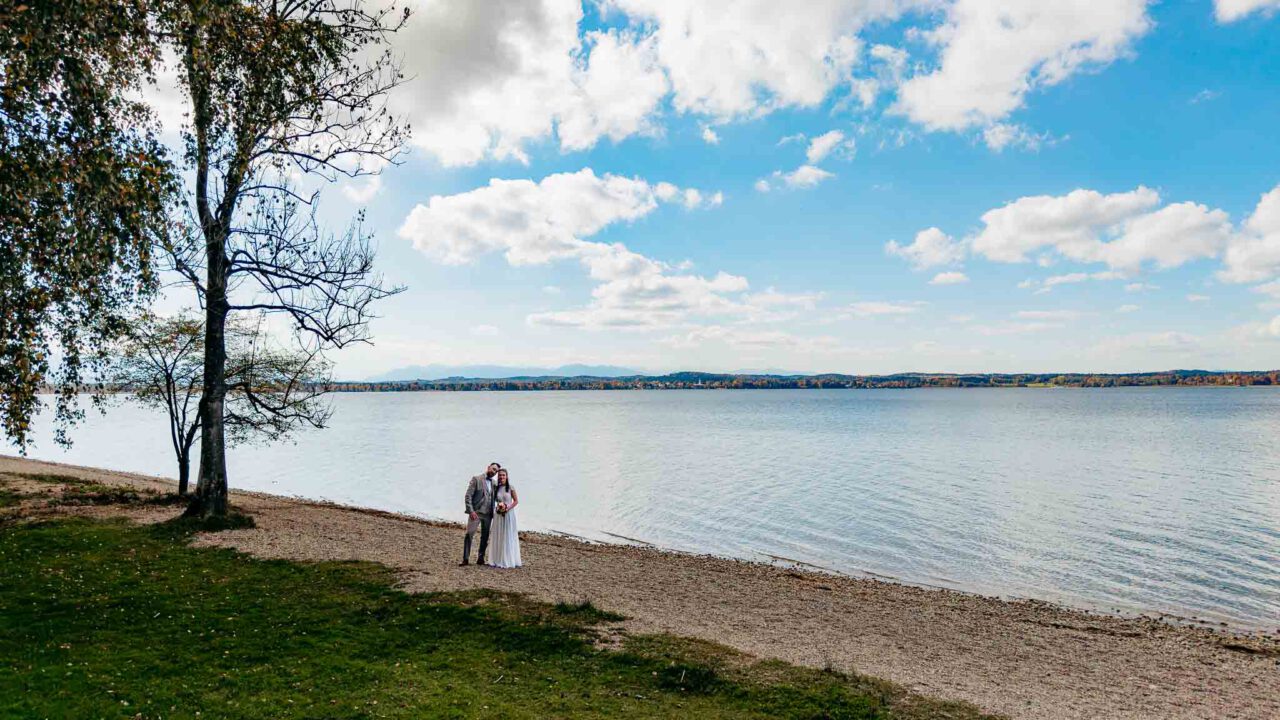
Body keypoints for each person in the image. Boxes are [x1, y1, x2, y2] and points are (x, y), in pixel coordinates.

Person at [461, 462, 499, 566]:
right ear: (488, 467)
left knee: (485, 537)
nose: (494, 472)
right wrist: (471, 511)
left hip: (488, 514)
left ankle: (480, 558)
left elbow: (496, 498)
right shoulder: (476, 479)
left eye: (496, 471)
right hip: (476, 513)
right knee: (469, 534)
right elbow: (468, 496)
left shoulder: (494, 483)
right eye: (493, 469)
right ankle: (465, 559)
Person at [488, 468, 522, 568]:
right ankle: (497, 559)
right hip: (498, 514)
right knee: (499, 535)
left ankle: (507, 559)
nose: (502, 477)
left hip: (508, 515)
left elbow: (516, 501)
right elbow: (493, 501)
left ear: (507, 477)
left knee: (507, 536)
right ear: (498, 477)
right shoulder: (496, 488)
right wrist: (498, 507)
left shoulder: (511, 487)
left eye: (503, 475)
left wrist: (507, 508)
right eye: (500, 475)